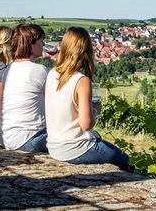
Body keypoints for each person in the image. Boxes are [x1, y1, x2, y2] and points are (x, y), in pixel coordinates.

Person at [45, 27, 130, 170]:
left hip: (54, 146)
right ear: (86, 50)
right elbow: (86, 125)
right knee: (126, 160)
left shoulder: (52, 73)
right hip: (75, 148)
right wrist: (95, 110)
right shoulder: (81, 80)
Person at [0, 24, 49, 152]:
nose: (43, 44)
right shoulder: (39, 71)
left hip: (8, 138)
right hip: (31, 137)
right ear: (30, 45)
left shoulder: (8, 69)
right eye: (40, 41)